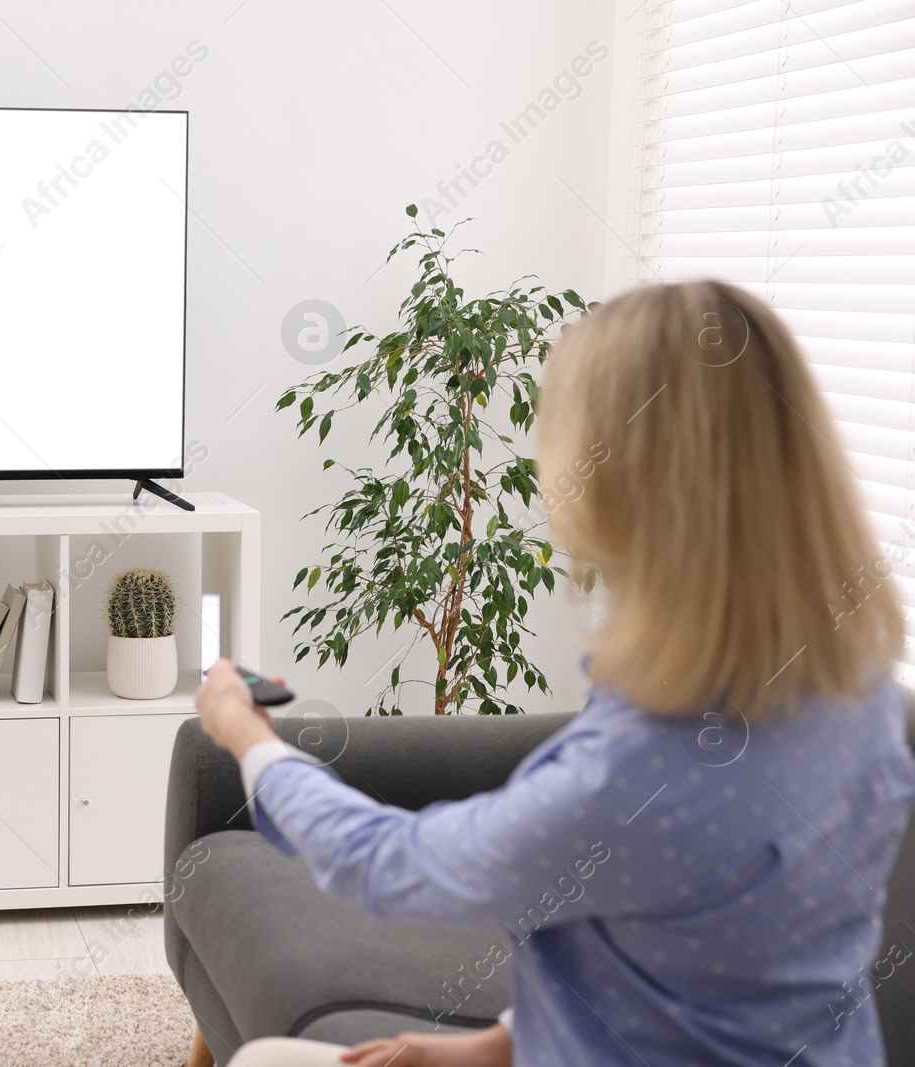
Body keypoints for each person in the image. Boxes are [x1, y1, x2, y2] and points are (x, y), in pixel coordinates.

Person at [193, 280, 915, 1066]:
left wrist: (247, 736)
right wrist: (496, 1044)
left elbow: (383, 863)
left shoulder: (638, 770)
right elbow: (708, 960)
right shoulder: (861, 696)